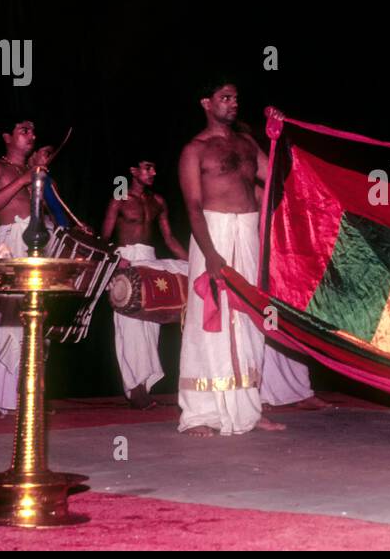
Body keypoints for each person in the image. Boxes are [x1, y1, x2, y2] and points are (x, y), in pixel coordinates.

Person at [176, 81, 288, 436]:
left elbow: (274, 178)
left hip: (248, 231)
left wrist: (277, 137)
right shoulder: (195, 150)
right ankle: (201, 413)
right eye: (225, 98)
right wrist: (210, 254)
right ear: (206, 102)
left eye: (236, 98)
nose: (233, 103)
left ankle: (249, 410)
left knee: (251, 318)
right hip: (215, 232)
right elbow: (192, 206)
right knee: (211, 319)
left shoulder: (245, 143)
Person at [0, 118, 51, 419]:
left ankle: (26, 395)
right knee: (3, 318)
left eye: (33, 130)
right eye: (24, 130)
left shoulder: (36, 173)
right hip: (9, 244)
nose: (31, 135)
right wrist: (24, 180)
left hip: (37, 245)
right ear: (7, 136)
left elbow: (43, 213)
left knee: (36, 320)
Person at [101, 158, 188, 409]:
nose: (153, 172)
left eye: (154, 168)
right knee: (130, 329)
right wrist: (116, 262)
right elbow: (104, 237)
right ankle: (135, 389)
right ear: (133, 171)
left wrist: (195, 264)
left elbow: (169, 239)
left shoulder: (158, 201)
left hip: (149, 262)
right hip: (125, 261)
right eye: (148, 167)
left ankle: (146, 385)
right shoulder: (119, 198)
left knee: (151, 327)